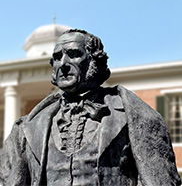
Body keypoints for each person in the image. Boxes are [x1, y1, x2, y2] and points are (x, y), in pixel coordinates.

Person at [0, 29, 181, 186]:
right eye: (57, 58)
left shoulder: (132, 115)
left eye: (73, 54)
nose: (63, 64)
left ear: (94, 61)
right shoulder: (26, 128)